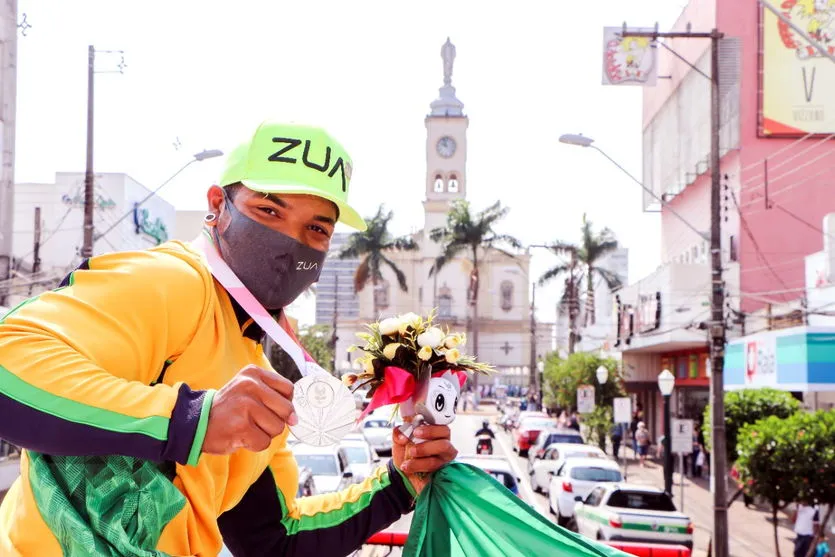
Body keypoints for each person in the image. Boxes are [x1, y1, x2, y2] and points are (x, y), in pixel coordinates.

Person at [0, 121, 458, 557]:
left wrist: (400, 482)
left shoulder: (260, 361)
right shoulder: (174, 281)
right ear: (217, 205)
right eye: (268, 210)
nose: (288, 242)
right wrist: (189, 420)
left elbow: (273, 540)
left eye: (316, 229)